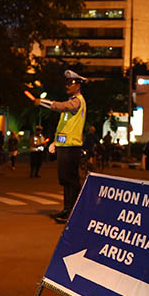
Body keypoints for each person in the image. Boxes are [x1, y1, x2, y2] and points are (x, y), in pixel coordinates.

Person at [34, 69, 87, 223]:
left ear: (78, 85)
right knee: (65, 179)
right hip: (65, 147)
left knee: (71, 180)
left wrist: (42, 102)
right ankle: (67, 210)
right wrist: (55, 143)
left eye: (71, 83)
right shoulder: (72, 101)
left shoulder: (76, 101)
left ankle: (74, 211)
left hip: (72, 147)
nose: (67, 86)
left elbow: (61, 106)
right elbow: (64, 128)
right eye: (67, 83)